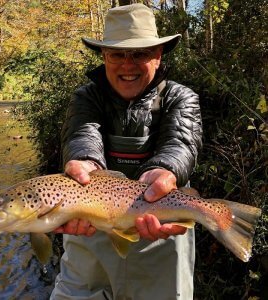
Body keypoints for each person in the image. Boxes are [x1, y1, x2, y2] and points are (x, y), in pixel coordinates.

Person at [50, 3, 202, 300]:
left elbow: (181, 143)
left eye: (139, 53)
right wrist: (84, 164)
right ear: (104, 56)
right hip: (91, 230)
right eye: (117, 54)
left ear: (158, 56)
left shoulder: (181, 98)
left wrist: (165, 172)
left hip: (160, 230)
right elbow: (83, 137)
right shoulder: (86, 97)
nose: (127, 64)